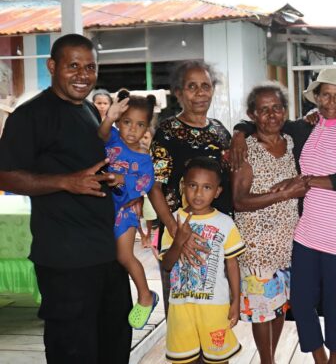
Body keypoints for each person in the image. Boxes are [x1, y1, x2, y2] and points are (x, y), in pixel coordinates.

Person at [0, 34, 132, 363]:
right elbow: (5, 175)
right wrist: (66, 182)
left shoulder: (88, 110)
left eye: (90, 67)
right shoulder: (30, 115)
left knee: (114, 343)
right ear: (52, 66)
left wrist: (117, 178)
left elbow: (92, 164)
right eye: (73, 66)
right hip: (65, 259)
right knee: (73, 350)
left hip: (107, 253)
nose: (83, 75)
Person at [233, 68, 336, 364]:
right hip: (305, 233)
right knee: (302, 302)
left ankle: (334, 360)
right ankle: (319, 358)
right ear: (316, 97)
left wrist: (303, 182)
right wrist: (238, 135)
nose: (331, 102)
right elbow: (261, 121)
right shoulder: (302, 129)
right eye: (325, 95)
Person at [148, 60, 232, 312]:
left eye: (205, 86)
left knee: (216, 311)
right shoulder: (167, 132)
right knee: (181, 308)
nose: (200, 93)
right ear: (179, 93)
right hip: (179, 236)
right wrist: (177, 233)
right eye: (192, 87)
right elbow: (154, 186)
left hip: (217, 236)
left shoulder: (220, 131)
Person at [232, 83, 307, 364]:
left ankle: (271, 358)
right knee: (262, 312)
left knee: (279, 306)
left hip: (287, 245)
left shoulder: (291, 143)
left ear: (285, 111)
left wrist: (292, 186)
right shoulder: (246, 150)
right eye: (263, 110)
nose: (272, 115)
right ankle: (267, 360)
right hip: (258, 249)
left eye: (277, 108)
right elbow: (239, 201)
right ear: (252, 115)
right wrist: (285, 194)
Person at [161, 157, 245, 364]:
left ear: (217, 191)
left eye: (207, 187)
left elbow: (232, 265)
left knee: (218, 358)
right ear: (183, 186)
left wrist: (236, 300)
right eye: (193, 186)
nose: (198, 193)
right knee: (184, 360)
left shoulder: (225, 223)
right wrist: (178, 241)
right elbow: (167, 264)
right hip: (181, 308)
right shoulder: (173, 222)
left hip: (215, 306)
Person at [97, 89, 159, 329]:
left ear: (147, 128)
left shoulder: (144, 159)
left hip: (125, 212)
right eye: (127, 122)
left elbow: (146, 182)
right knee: (106, 256)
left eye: (140, 124)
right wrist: (109, 117)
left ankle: (146, 296)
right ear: (118, 122)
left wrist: (122, 179)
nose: (132, 129)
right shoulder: (112, 138)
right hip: (103, 209)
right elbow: (100, 134)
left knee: (124, 256)